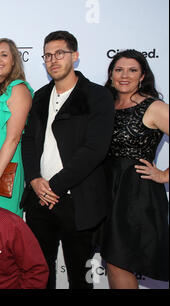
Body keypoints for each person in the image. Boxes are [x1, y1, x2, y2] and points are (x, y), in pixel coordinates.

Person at [21, 30, 114, 289]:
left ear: (75, 56)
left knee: (79, 276)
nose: (53, 60)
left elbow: (94, 149)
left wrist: (55, 185)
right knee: (40, 272)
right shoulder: (40, 95)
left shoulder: (97, 96)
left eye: (60, 53)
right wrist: (34, 180)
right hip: (40, 199)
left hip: (78, 202)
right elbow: (28, 141)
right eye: (48, 55)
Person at [98, 49, 169, 288]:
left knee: (121, 261)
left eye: (132, 70)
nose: (124, 75)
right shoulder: (105, 105)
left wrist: (164, 174)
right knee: (114, 261)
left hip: (136, 194)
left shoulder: (154, 107)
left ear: (142, 76)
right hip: (107, 190)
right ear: (111, 75)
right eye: (119, 70)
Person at [0, 38, 33, 217]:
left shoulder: (18, 89)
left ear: (13, 60)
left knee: (4, 232)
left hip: (4, 172)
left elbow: (13, 138)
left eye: (4, 55)